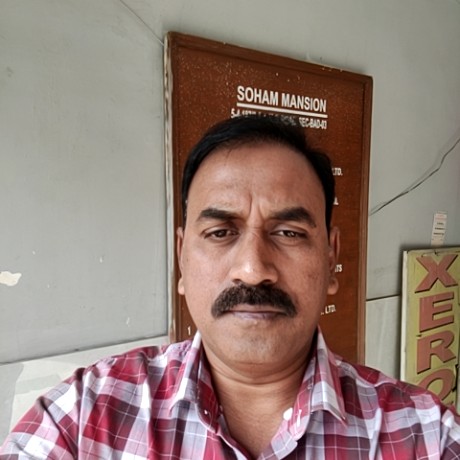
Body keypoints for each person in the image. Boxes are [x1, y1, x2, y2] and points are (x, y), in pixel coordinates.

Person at [1, 115, 459, 459]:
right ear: (182, 257)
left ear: (331, 258)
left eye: (289, 233)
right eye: (220, 232)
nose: (253, 270)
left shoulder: (425, 436)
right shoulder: (83, 417)